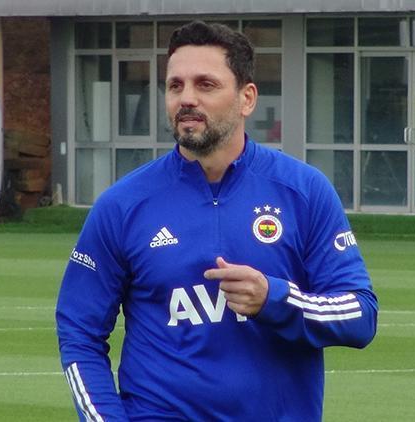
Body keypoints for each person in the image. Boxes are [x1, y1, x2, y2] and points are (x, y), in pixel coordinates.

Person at [56, 21, 378, 421]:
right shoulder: (122, 205)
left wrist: (275, 299)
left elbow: (360, 316)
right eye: (175, 86)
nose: (186, 99)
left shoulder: (304, 191)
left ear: (247, 98)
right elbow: (79, 333)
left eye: (205, 85)